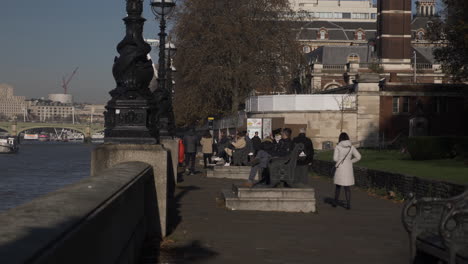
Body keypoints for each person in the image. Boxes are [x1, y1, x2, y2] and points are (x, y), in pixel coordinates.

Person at [332, 132, 361, 210]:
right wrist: (350, 161)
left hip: (340, 168)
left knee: (338, 186)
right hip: (348, 168)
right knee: (347, 187)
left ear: (340, 138)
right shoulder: (351, 147)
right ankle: (348, 204)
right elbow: (358, 157)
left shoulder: (338, 147)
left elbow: (335, 159)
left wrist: (339, 160)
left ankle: (335, 203)